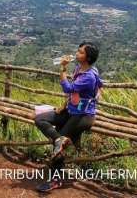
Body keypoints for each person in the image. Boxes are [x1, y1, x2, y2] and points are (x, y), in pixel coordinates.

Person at [34, 41, 102, 192]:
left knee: (60, 146)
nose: (77, 54)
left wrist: (63, 68)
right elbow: (90, 89)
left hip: (83, 116)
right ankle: (58, 140)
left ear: (88, 58)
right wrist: (64, 106)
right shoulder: (80, 68)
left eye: (81, 52)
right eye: (78, 51)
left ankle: (55, 180)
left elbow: (68, 88)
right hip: (72, 111)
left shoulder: (89, 76)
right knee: (40, 119)